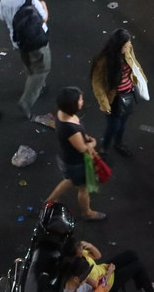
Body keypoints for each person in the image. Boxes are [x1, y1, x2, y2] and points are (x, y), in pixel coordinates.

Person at [45, 87, 106, 221]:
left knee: (70, 181)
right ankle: (87, 213)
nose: (82, 101)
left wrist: (83, 136)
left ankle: (50, 200)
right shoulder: (70, 128)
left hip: (65, 158)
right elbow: (83, 149)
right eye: (80, 99)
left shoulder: (62, 113)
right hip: (75, 163)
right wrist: (93, 143)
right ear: (73, 105)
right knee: (83, 189)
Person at [0, 0, 52, 119]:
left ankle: (38, 86)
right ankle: (26, 101)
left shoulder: (4, 0)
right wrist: (44, 6)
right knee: (42, 69)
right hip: (37, 40)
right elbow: (43, 18)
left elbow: (3, 18)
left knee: (29, 64)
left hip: (18, 41)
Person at [90, 29, 148, 157]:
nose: (128, 48)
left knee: (122, 123)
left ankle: (118, 143)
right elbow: (97, 84)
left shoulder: (128, 49)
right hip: (114, 99)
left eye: (128, 45)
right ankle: (104, 148)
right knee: (113, 126)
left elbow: (134, 63)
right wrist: (104, 104)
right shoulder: (103, 61)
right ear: (117, 46)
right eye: (125, 46)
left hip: (128, 94)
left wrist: (141, 79)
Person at [62, 239, 154, 292]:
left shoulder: (77, 274)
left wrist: (90, 246)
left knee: (131, 254)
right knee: (138, 266)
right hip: (108, 285)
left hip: (103, 272)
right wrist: (108, 273)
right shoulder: (80, 281)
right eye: (79, 248)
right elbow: (99, 287)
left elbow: (94, 282)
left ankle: (143, 284)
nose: (82, 249)